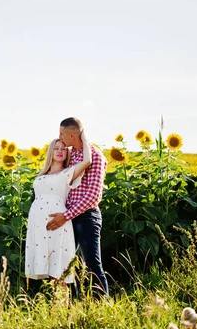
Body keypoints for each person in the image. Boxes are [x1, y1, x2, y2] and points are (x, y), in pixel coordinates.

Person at [46, 117, 109, 297]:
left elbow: (93, 197)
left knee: (92, 264)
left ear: (72, 135)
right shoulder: (71, 154)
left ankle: (101, 308)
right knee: (65, 264)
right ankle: (72, 306)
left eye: (61, 133)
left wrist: (66, 215)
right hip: (67, 216)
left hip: (86, 217)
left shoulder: (95, 156)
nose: (59, 137)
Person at [24, 134, 92, 290]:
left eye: (63, 149)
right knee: (44, 261)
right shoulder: (42, 174)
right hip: (38, 221)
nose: (60, 151)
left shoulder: (67, 172)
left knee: (58, 263)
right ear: (50, 152)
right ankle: (52, 308)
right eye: (56, 148)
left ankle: (63, 306)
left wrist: (82, 136)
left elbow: (87, 161)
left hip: (57, 220)